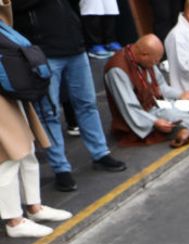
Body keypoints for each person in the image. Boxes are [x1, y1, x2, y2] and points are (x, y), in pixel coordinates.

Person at [11, 0, 128, 192]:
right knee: (49, 113)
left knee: (87, 104)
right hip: (44, 51)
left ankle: (100, 153)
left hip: (74, 45)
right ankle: (61, 168)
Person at [1, 0, 72, 239]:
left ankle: (34, 206)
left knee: (27, 149)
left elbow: (6, 22)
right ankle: (14, 220)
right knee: (8, 157)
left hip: (8, 86)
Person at [103, 34, 189, 148]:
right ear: (144, 55)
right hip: (139, 116)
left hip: (155, 105)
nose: (155, 64)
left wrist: (180, 94)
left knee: (179, 107)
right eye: (154, 61)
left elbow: (161, 86)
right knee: (173, 115)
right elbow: (129, 108)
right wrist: (154, 121)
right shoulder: (117, 70)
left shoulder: (144, 59)